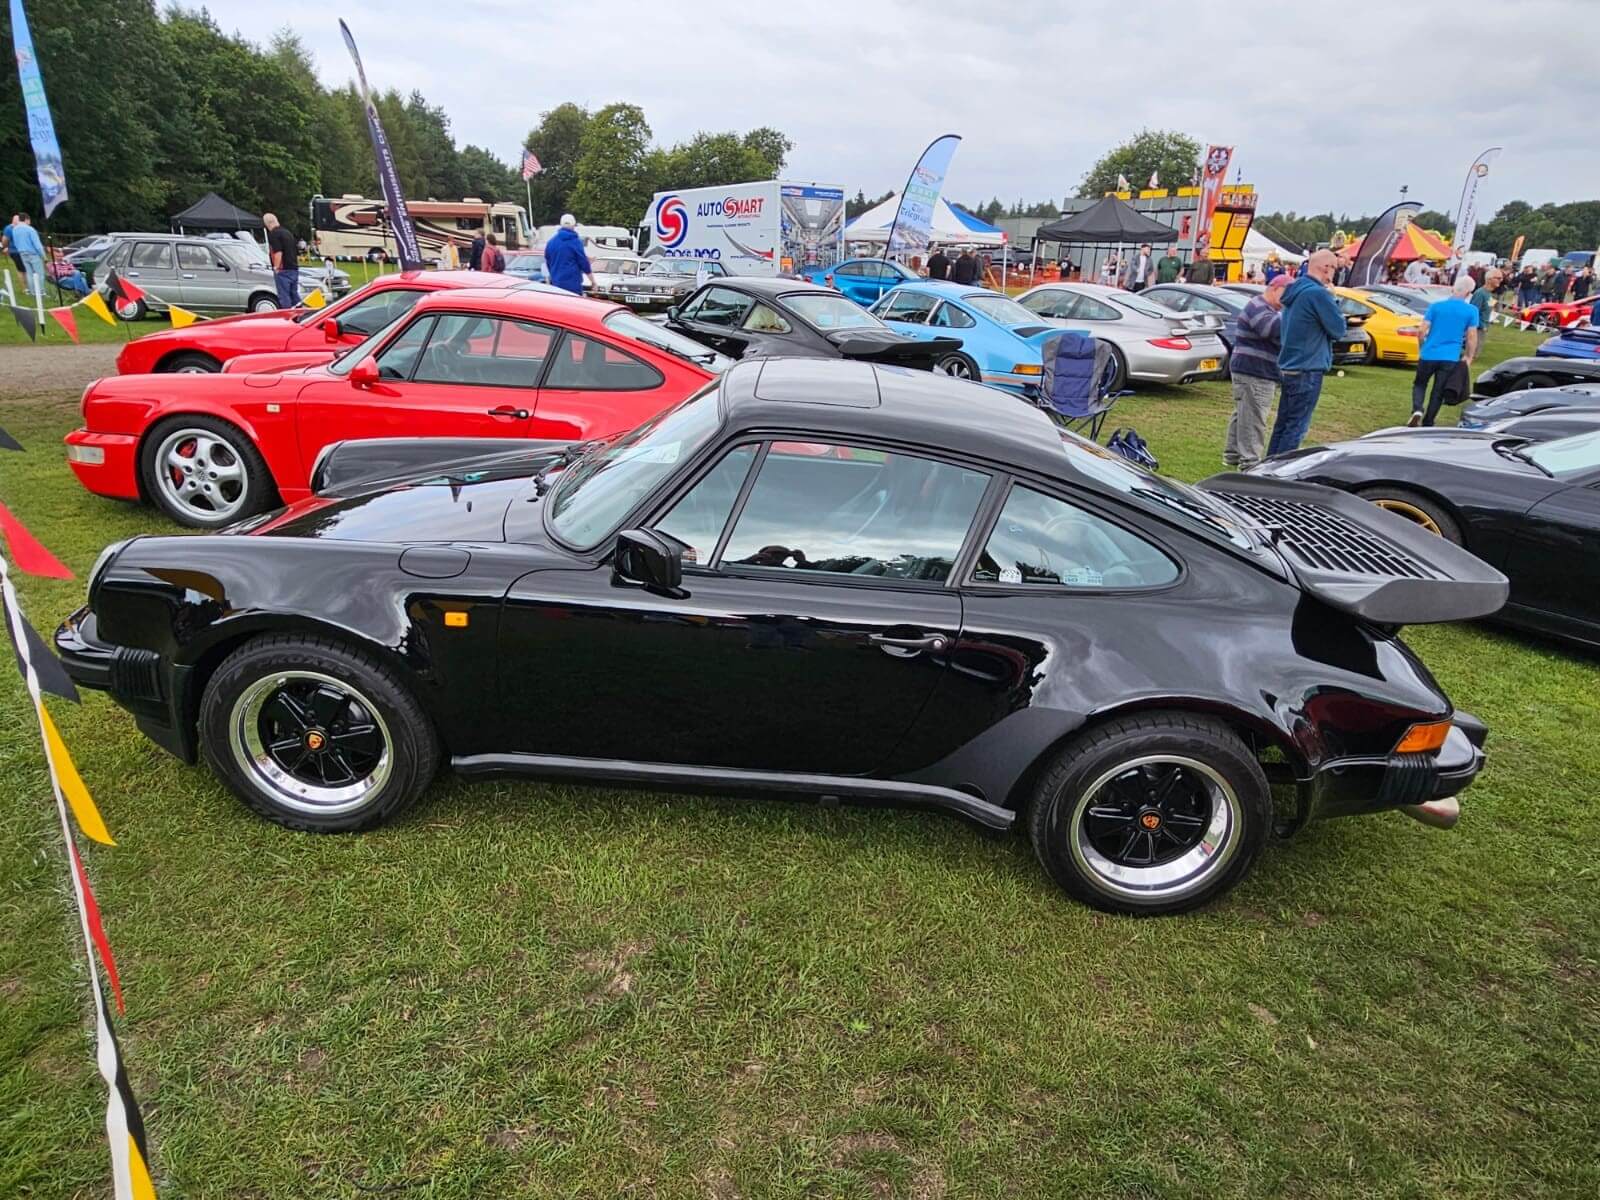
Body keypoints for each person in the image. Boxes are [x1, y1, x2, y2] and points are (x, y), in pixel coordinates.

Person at [1267, 249, 1345, 456]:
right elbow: (1338, 329)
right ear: (1326, 268)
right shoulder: (1318, 294)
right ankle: (1280, 476)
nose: (1334, 274)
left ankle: (1266, 469)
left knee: (1283, 424)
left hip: (1290, 365)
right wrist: (1334, 298)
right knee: (1296, 427)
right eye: (1335, 269)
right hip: (1308, 367)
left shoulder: (1295, 290)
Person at [1224, 272, 1290, 470]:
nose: (1289, 301)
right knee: (1254, 418)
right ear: (1274, 288)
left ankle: (1233, 454)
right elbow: (1271, 329)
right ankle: (1250, 464)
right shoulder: (1258, 306)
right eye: (1287, 295)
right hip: (1254, 371)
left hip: (1253, 369)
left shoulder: (1268, 308)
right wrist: (1294, 315)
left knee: (1245, 412)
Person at [1410, 275, 1480, 427]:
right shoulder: (1471, 311)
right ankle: (1428, 421)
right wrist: (1469, 356)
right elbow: (1471, 336)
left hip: (1429, 352)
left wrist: (1422, 346)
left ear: (1453, 289)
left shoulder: (1436, 306)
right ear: (1469, 294)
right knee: (1438, 391)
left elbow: (1421, 331)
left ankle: (1417, 409)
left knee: (1420, 384)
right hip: (1450, 356)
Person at [543, 213, 593, 295]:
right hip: (573, 286)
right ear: (574, 225)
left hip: (556, 284)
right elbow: (584, 263)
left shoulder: (551, 242)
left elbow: (548, 262)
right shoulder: (575, 242)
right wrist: (593, 281)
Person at [262, 213, 299, 309]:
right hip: (294, 267)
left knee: (284, 296)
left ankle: (287, 316)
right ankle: (300, 313)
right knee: (294, 294)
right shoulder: (288, 233)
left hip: (283, 269)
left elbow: (278, 252)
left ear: (267, 224)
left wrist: (276, 267)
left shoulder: (274, 234)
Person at [8, 212, 46, 299]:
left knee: (29, 273)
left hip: (22, 253)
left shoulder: (15, 229)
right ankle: (41, 292)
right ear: (26, 219)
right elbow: (37, 244)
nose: (30, 222)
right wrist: (44, 256)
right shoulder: (30, 229)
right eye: (29, 220)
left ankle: (32, 292)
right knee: (39, 273)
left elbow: (16, 243)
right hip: (33, 253)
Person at [1470, 268, 1501, 336]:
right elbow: (1473, 312)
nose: (1500, 280)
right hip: (1476, 330)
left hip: (1483, 329)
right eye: (1498, 278)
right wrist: (1482, 326)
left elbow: (1488, 309)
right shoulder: (1480, 293)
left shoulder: (1489, 293)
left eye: (1501, 278)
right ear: (1489, 279)